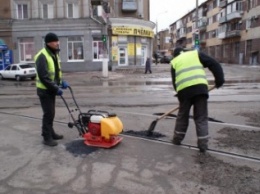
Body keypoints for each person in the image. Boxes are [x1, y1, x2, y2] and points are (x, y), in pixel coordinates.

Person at [170, 47, 225, 152]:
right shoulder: (195, 54)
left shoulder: (175, 61)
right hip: (200, 89)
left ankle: (177, 139)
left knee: (182, 116)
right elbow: (214, 64)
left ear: (175, 55)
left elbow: (175, 81)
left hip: (184, 92)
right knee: (201, 117)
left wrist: (179, 94)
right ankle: (203, 145)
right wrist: (219, 80)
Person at [34, 32, 69, 147]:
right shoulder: (42, 55)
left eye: (57, 41)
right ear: (49, 42)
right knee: (48, 114)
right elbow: (44, 77)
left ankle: (51, 133)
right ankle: (46, 137)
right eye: (55, 41)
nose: (58, 43)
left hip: (51, 90)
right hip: (44, 90)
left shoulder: (54, 54)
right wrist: (55, 88)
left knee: (51, 113)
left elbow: (55, 73)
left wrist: (60, 82)